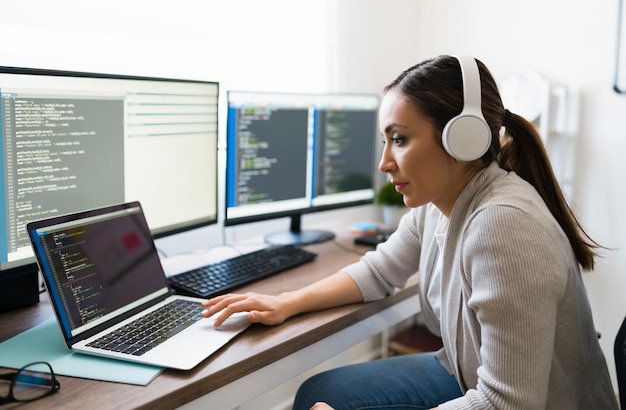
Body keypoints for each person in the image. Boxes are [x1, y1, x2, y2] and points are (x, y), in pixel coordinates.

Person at [202, 55, 619, 409]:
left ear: (463, 138)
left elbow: (506, 403)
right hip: (464, 374)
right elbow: (379, 271)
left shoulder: (503, 225)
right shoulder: (440, 202)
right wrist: (286, 302)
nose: (384, 162)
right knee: (320, 390)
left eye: (399, 139)